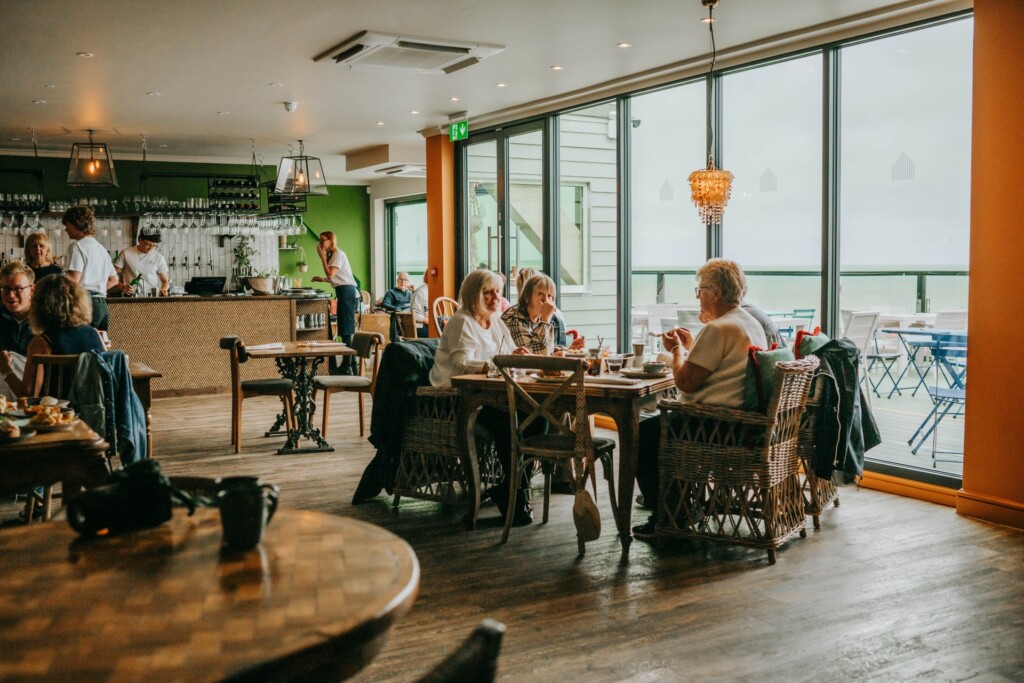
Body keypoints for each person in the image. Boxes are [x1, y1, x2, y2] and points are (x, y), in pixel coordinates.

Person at [632, 259, 768, 539]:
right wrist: (692, 349)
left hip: (716, 425)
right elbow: (721, 368)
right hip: (744, 422)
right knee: (657, 425)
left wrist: (678, 350)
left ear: (716, 293)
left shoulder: (718, 328)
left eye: (700, 289)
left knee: (643, 433)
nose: (698, 296)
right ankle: (682, 505)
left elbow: (685, 382)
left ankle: (668, 514)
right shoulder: (748, 322)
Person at [429, 269, 533, 525]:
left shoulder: (496, 321)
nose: (494, 297)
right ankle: (516, 499)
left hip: (492, 395)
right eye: (487, 292)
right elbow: (462, 363)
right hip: (457, 400)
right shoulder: (462, 321)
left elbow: (507, 354)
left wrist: (516, 354)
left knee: (535, 419)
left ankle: (512, 492)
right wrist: (492, 365)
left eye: (497, 291)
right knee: (510, 422)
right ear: (473, 295)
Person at [0, 274, 105, 398]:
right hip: (94, 411)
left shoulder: (41, 343)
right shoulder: (95, 334)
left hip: (54, 413)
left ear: (39, 305)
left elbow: (27, 395)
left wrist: (6, 369)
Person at [62, 205, 117, 331]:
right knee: (100, 345)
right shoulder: (101, 249)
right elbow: (114, 280)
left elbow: (73, 279)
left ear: (77, 223)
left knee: (83, 346)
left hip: (85, 303)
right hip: (102, 306)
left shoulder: (76, 246)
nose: (66, 229)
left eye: (67, 224)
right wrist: (98, 288)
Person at [312, 231, 358, 374]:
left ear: (331, 241)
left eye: (322, 240)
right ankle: (352, 366)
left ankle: (346, 367)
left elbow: (331, 274)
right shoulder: (335, 255)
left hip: (347, 292)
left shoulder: (338, 254)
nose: (320, 243)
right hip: (343, 291)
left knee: (346, 330)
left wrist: (322, 258)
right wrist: (323, 280)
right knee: (345, 328)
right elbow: (336, 277)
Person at [512, 268, 582, 352]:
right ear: (527, 297)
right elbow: (535, 357)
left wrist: (569, 351)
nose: (546, 300)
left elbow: (549, 350)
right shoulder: (515, 319)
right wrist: (545, 320)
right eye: (540, 294)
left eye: (549, 296)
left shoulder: (543, 318)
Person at [0, 262, 35, 399]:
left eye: (17, 289)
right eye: (6, 289)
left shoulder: (44, 319)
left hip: (34, 390)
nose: (10, 295)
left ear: (32, 290)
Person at [112, 231, 170, 297]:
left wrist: (163, 289)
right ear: (140, 240)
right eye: (147, 244)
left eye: (154, 245)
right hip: (130, 297)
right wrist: (122, 287)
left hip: (152, 298)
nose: (150, 248)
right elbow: (111, 274)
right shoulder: (126, 253)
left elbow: (165, 281)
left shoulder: (159, 258)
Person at [410, 272, 430, 337]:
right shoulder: (421, 291)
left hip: (428, 326)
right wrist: (431, 323)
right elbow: (414, 315)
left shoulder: (435, 291)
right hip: (420, 327)